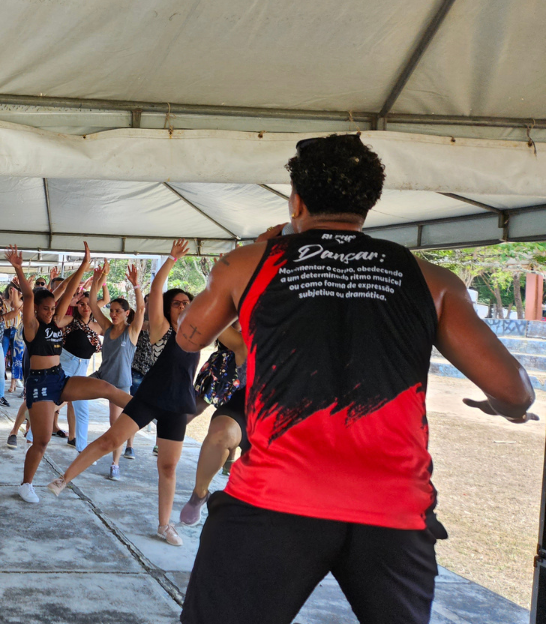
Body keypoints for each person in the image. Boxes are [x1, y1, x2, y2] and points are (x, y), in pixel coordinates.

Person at [169, 134, 535, 623]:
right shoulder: (433, 280)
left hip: (275, 500)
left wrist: (254, 268)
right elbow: (515, 392)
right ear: (369, 203)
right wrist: (502, 409)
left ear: (296, 200)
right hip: (393, 509)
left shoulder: (249, 264)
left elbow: (189, 337)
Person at [47, 241, 194, 546]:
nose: (183, 306)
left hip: (178, 404)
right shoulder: (159, 330)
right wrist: (169, 261)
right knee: (111, 438)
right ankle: (64, 479)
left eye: (187, 303)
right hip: (150, 396)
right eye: (178, 302)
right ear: (168, 308)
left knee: (168, 467)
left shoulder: (198, 332)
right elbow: (153, 297)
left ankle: (164, 525)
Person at [7, 244, 132, 503]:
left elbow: (70, 292)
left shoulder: (55, 321)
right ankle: (26, 484)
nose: (51, 312)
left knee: (107, 389)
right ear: (37, 310)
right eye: (46, 309)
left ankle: (148, 410)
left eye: (53, 309)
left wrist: (85, 264)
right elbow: (29, 298)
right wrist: (18, 268)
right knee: (41, 442)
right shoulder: (31, 327)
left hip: (59, 378)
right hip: (39, 385)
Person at [179, 324, 247, 526]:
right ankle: (200, 493)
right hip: (244, 403)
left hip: (287, 414)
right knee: (220, 431)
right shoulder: (248, 341)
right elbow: (211, 321)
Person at [86, 262, 146, 478]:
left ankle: (115, 464)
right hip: (102, 378)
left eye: (117, 311)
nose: (113, 314)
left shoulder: (132, 331)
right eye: (111, 311)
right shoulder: (107, 327)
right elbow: (92, 303)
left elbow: (142, 310)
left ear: (126, 313)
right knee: (68, 392)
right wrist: (97, 280)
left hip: (120, 384)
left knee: (116, 425)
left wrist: (136, 285)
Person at [55, 289, 101, 451]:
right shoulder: (70, 320)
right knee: (53, 402)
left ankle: (82, 447)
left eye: (88, 304)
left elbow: (116, 330)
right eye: (81, 304)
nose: (85, 307)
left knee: (82, 409)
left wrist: (100, 282)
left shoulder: (97, 325)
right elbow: (57, 320)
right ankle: (31, 436)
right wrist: (70, 300)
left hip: (82, 369)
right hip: (66, 364)